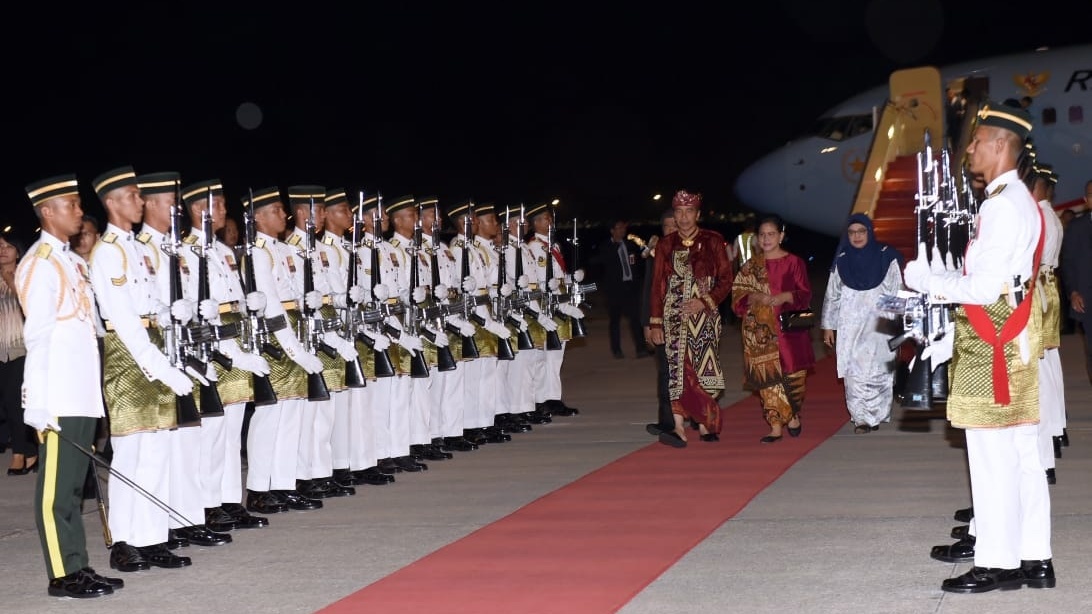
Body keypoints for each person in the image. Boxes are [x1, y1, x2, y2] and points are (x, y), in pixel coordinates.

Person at [904, 101, 1055, 593]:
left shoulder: (998, 204)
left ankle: (996, 562)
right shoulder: (1021, 202)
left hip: (992, 343)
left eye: (976, 139)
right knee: (1023, 456)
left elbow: (984, 288)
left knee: (991, 459)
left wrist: (927, 279)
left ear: (998, 145)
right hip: (1015, 340)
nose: (969, 148)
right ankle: (1035, 557)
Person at [18, 173, 123, 598]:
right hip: (57, 393)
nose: (80, 212)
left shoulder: (73, 261)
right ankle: (62, 575)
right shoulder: (39, 263)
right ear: (47, 211)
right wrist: (36, 402)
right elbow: (38, 338)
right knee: (56, 493)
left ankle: (78, 564)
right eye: (72, 205)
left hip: (81, 391)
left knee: (75, 487)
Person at [88, 166, 192, 572]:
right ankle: (125, 541)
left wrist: (171, 315)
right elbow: (124, 321)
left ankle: (152, 537)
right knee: (132, 453)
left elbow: (150, 307)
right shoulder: (109, 250)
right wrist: (160, 367)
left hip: (152, 349)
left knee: (158, 452)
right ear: (112, 202)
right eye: (132, 196)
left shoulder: (138, 248)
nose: (139, 202)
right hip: (129, 359)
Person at [648, 190, 733, 446]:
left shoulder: (713, 241)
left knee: (704, 368)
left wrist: (703, 301)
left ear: (697, 214)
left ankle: (706, 423)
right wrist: (655, 322)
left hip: (704, 316)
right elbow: (657, 286)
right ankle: (677, 427)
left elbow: (726, 280)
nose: (684, 218)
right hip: (673, 315)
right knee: (676, 370)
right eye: (679, 212)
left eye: (689, 212)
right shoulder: (665, 245)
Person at [731, 214, 814, 443]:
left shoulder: (794, 262)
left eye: (771, 234)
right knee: (768, 377)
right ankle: (775, 425)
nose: (766, 239)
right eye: (762, 235)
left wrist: (786, 296)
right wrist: (754, 296)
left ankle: (792, 413)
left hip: (789, 329)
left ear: (781, 236)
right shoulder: (750, 266)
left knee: (793, 375)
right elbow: (737, 296)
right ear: (757, 238)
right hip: (760, 334)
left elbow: (805, 293)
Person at [820, 213, 903, 433]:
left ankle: (875, 415)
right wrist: (829, 325)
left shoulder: (887, 257)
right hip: (850, 324)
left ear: (870, 232)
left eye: (861, 231)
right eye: (852, 232)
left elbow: (898, 289)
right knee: (852, 369)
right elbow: (832, 294)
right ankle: (861, 418)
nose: (856, 236)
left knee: (879, 369)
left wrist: (895, 326)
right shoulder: (843, 259)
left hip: (880, 320)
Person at [641, 209, 676, 437]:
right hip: (661, 321)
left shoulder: (698, 249)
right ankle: (667, 420)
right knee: (665, 372)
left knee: (692, 372)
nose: (672, 230)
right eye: (667, 226)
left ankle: (697, 416)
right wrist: (647, 323)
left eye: (676, 225)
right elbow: (648, 290)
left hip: (690, 321)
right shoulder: (657, 253)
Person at [1, 230, 34, 474]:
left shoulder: (26, 273)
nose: (3, 250)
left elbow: (29, 304)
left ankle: (20, 454)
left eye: (7, 246)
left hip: (21, 347)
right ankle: (32, 450)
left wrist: (11, 281)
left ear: (17, 250)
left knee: (15, 402)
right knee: (6, 404)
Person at [597, 219, 645, 359]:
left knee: (636, 319)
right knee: (615, 321)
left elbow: (638, 262)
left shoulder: (630, 244)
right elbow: (603, 262)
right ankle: (616, 349)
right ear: (612, 230)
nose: (622, 230)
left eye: (623, 228)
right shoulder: (606, 246)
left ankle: (641, 348)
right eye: (618, 228)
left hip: (630, 287)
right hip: (615, 289)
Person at [1061, 180, 1092, 385]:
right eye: (1091, 194)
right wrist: (1073, 292)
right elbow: (1068, 263)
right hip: (1087, 298)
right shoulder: (1076, 228)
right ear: (1085, 200)